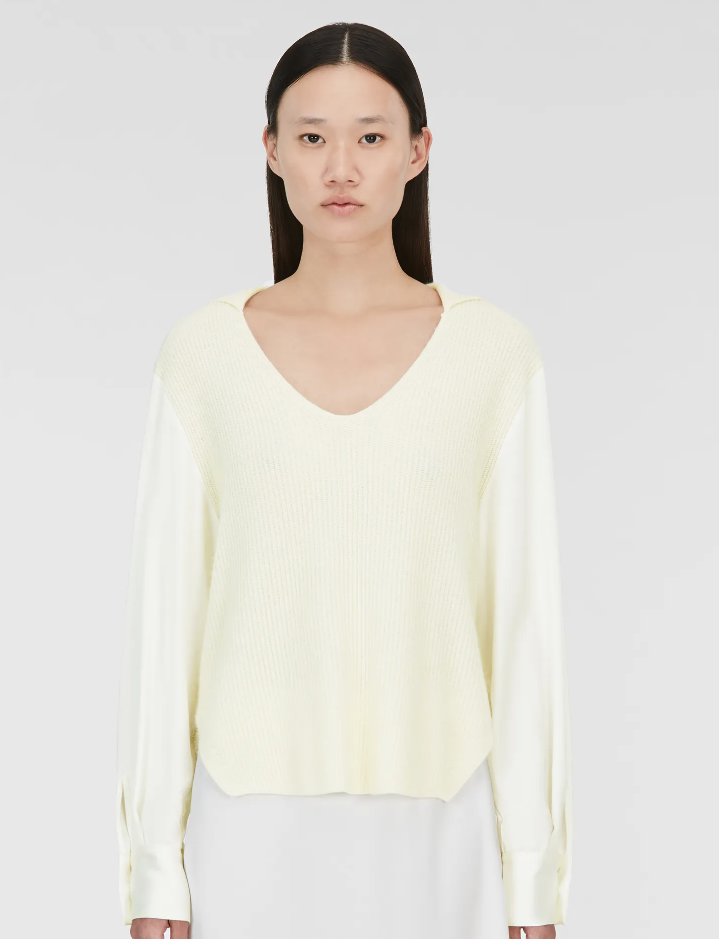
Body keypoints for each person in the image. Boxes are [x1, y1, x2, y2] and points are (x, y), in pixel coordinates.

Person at [115, 21, 572, 939]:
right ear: (271, 151)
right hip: (247, 826)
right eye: (312, 136)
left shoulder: (491, 356)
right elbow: (166, 623)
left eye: (369, 136)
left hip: (441, 826)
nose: (340, 168)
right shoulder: (203, 356)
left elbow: (522, 626)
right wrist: (154, 868)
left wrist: (531, 874)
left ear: (417, 151)